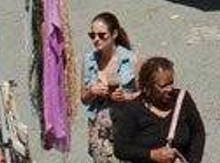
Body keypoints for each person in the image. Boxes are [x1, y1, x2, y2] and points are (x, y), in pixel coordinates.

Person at [113, 56, 206, 163]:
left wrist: (193, 160)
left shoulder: (182, 99)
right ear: (148, 86)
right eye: (163, 86)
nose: (169, 89)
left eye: (171, 83)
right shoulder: (132, 109)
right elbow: (121, 149)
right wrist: (151, 155)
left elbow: (198, 132)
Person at [81, 13, 139, 163]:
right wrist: (92, 91)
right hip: (100, 133)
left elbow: (147, 96)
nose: (96, 40)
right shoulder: (89, 61)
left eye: (102, 35)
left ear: (114, 34)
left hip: (126, 129)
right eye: (92, 35)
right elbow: (84, 99)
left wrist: (127, 97)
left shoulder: (131, 60)